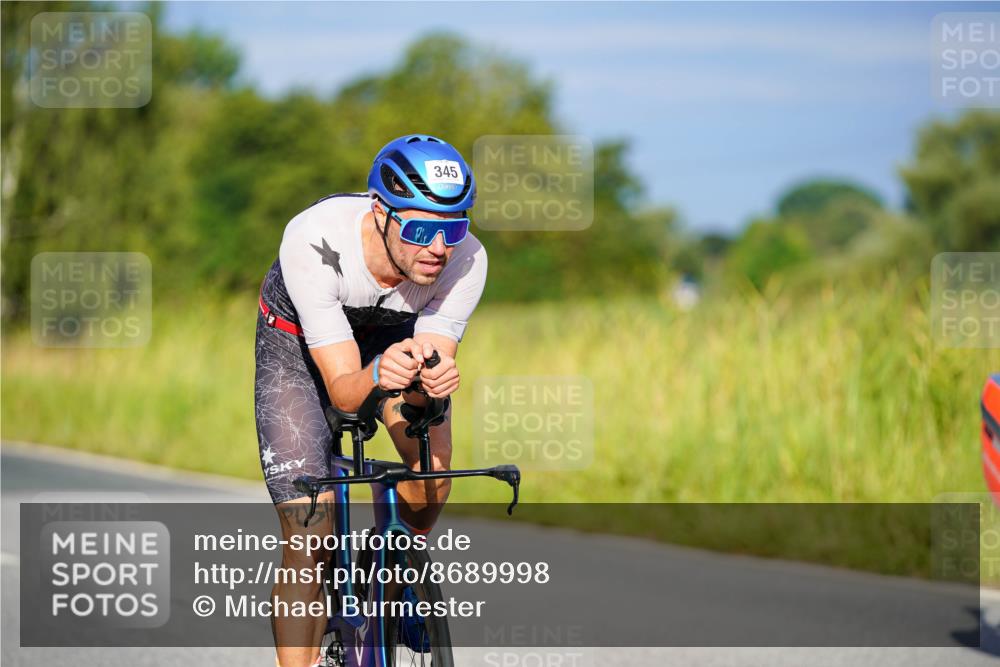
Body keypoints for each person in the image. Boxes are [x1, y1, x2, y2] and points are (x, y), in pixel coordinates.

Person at [254, 134, 486, 667]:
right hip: (299, 347)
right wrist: (377, 373)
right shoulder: (313, 237)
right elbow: (343, 390)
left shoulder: (467, 259)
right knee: (311, 527)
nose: (440, 249)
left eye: (454, 228)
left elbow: (427, 369)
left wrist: (432, 385)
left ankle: (390, 576)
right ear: (381, 211)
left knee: (432, 479)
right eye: (423, 228)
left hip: (393, 337)